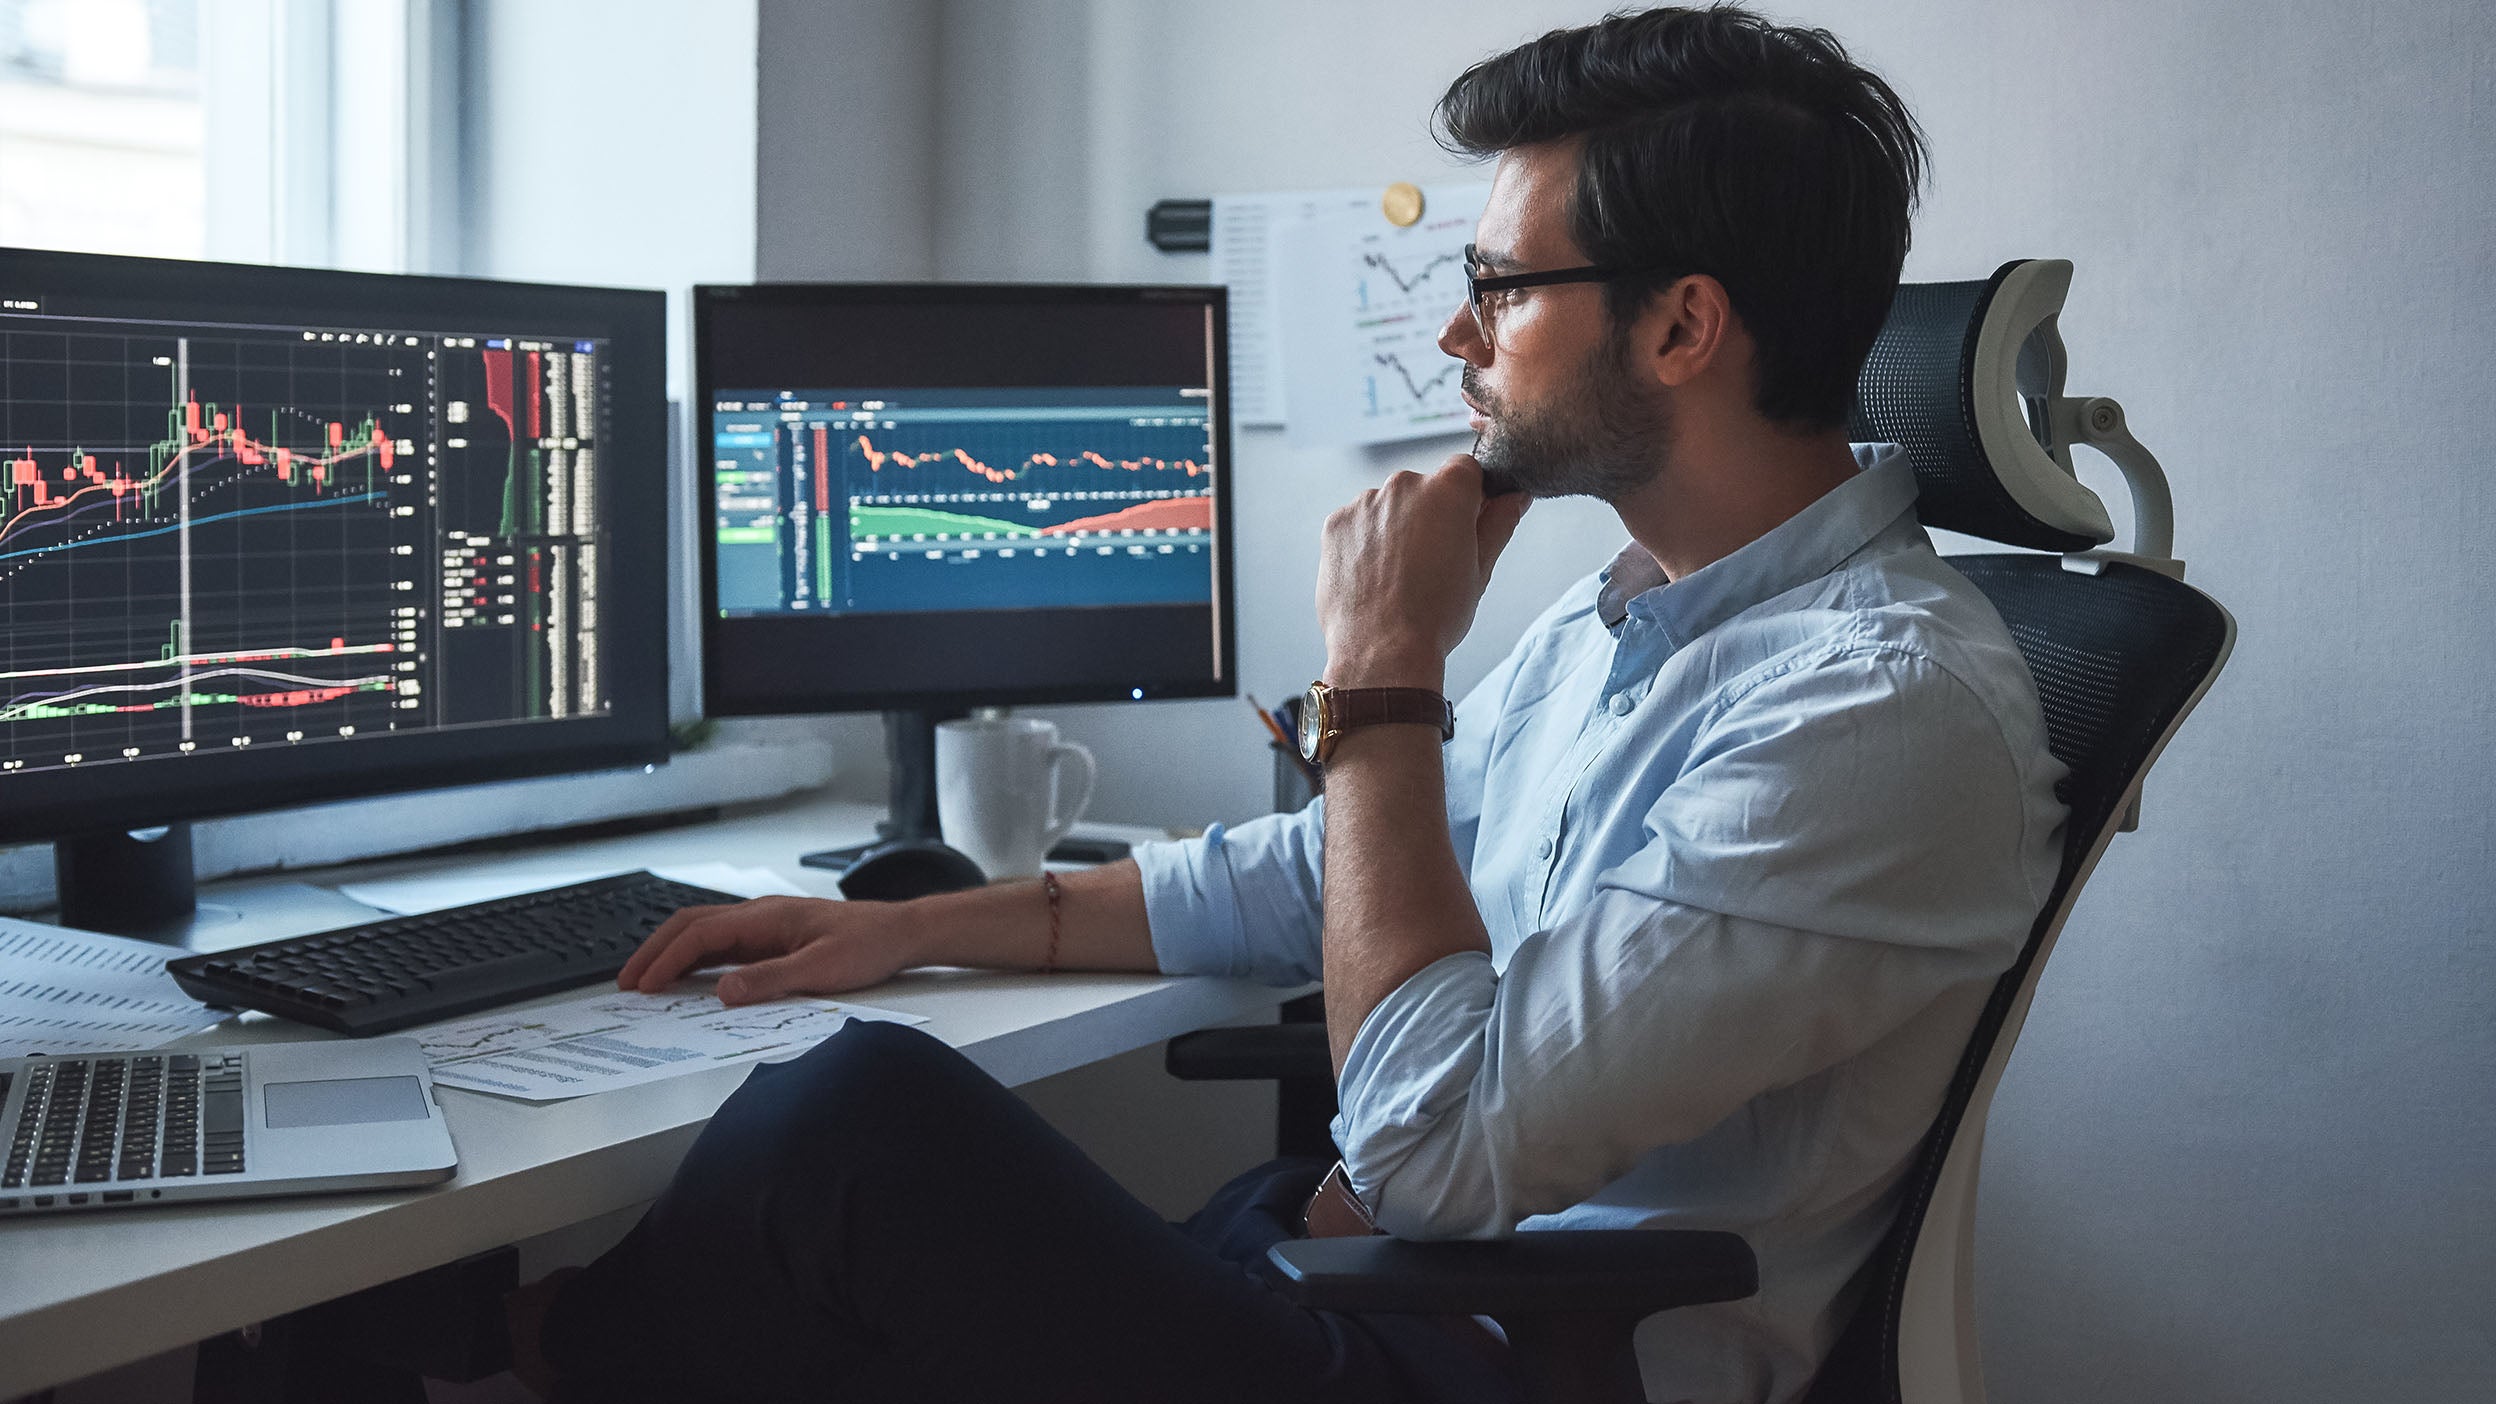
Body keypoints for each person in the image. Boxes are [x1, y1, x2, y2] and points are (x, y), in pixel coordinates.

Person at [511, 8, 2067, 1402]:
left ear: (1679, 327)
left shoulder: (1874, 710)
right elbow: (1317, 877)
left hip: (1506, 1354)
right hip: (1374, 1285)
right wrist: (919, 925)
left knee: (854, 1132)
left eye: (1499, 287)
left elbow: (1434, 1150)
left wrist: (1384, 682)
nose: (1457, 336)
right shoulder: (1637, 624)